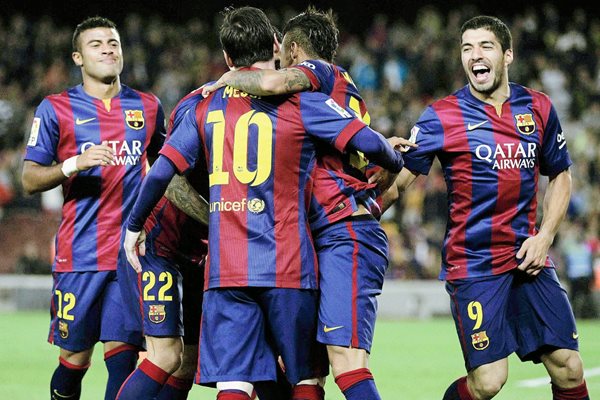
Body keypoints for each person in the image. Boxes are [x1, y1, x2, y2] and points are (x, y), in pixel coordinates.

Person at [123, 6, 405, 400]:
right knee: (306, 378)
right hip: (289, 262)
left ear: (226, 58)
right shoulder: (305, 101)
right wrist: (393, 163)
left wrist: (133, 226)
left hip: (226, 267)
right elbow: (372, 142)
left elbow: (160, 172)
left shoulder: (204, 103)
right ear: (277, 47)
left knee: (235, 382)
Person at [201, 7, 415, 400]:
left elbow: (271, 82)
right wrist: (383, 165)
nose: (278, 56)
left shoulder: (318, 74)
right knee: (296, 365)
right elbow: (381, 173)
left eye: (283, 50)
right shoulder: (336, 96)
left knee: (345, 360)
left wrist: (230, 75)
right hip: (318, 237)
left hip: (342, 233)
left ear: (295, 49)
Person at [384, 15, 590, 400]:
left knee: (569, 366)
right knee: (489, 381)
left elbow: (560, 175)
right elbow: (397, 186)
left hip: (528, 259)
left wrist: (545, 236)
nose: (474, 55)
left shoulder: (538, 107)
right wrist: (355, 213)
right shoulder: (441, 116)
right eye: (466, 48)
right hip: (474, 263)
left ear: (507, 55)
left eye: (485, 46)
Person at [21, 16, 166, 400]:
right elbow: (29, 178)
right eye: (96, 44)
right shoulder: (55, 109)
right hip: (79, 255)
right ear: (78, 57)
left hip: (129, 254)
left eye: (113, 43)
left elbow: (166, 169)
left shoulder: (148, 107)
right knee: (74, 358)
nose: (107, 49)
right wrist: (74, 164)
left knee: (123, 356)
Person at [116, 89, 209, 400]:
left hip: (197, 250)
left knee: (186, 363)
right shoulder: (203, 104)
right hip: (161, 245)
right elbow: (166, 176)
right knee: (166, 355)